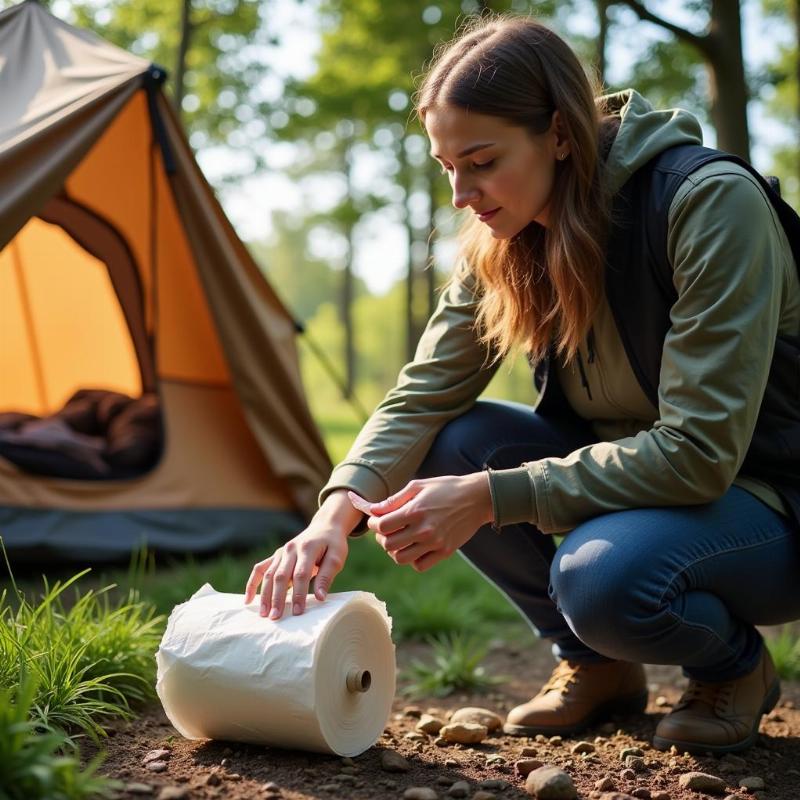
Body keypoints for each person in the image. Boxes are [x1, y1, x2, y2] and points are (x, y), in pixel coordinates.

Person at [244, 15, 800, 754]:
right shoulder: (507, 236)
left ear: (561, 135)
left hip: (770, 502)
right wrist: (333, 516)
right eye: (446, 165)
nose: (458, 194)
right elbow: (424, 392)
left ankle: (736, 669)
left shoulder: (706, 204)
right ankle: (597, 666)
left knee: (601, 578)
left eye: (480, 161)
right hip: (646, 491)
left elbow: (699, 453)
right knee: (457, 441)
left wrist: (487, 497)